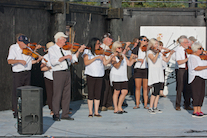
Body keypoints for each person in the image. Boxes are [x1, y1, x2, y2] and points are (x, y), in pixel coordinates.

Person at [48, 32, 85, 121]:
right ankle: (56, 114)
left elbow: (73, 59)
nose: (65, 40)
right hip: (58, 72)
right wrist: (64, 57)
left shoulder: (66, 49)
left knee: (66, 94)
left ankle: (65, 113)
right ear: (59, 39)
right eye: (64, 39)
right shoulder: (52, 49)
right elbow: (53, 62)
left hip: (67, 72)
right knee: (57, 94)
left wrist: (78, 52)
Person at [7, 34, 42, 118]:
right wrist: (19, 61)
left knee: (27, 93)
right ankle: (16, 111)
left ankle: (26, 110)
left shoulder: (28, 49)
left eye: (26, 43)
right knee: (17, 92)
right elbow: (9, 61)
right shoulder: (13, 48)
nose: (26, 45)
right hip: (18, 73)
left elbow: (30, 62)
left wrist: (38, 60)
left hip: (27, 72)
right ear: (19, 42)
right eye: (24, 43)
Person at [83, 37, 114, 117]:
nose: (99, 45)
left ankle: (96, 112)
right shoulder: (87, 51)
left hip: (100, 74)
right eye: (98, 43)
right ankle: (90, 112)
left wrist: (110, 58)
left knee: (97, 94)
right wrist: (96, 58)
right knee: (91, 94)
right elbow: (86, 62)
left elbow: (105, 63)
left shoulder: (101, 51)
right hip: (91, 74)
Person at [110, 41, 136, 114]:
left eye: (121, 47)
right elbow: (117, 66)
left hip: (123, 76)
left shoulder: (123, 56)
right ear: (115, 48)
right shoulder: (113, 56)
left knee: (125, 92)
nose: (121, 49)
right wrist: (121, 59)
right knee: (117, 91)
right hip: (116, 76)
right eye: (119, 47)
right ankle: (115, 108)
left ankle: (119, 106)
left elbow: (129, 64)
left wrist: (133, 58)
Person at [147, 38, 167, 114]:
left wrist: (170, 54)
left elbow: (166, 60)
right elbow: (154, 60)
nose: (157, 45)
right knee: (154, 91)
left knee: (158, 91)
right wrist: (158, 53)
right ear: (152, 45)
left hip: (159, 72)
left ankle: (155, 107)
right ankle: (150, 107)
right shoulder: (149, 52)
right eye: (155, 44)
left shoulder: (159, 53)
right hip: (154, 73)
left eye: (157, 44)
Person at [188, 42, 207, 118]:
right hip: (196, 77)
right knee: (197, 94)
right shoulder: (192, 57)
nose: (202, 50)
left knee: (201, 94)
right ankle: (195, 111)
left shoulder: (200, 57)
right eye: (200, 48)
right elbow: (196, 67)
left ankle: (199, 110)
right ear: (196, 49)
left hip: (202, 76)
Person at [130, 36, 149, 109]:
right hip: (138, 69)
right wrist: (137, 59)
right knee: (138, 87)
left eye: (146, 40)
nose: (145, 42)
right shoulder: (136, 49)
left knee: (145, 87)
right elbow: (131, 58)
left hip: (146, 69)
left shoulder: (148, 49)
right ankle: (137, 104)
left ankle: (145, 104)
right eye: (144, 40)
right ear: (140, 41)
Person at [175, 35, 193, 111]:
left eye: (187, 42)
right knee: (180, 87)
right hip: (181, 70)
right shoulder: (178, 50)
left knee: (188, 87)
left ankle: (187, 104)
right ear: (182, 43)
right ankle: (178, 105)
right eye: (186, 42)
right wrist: (188, 58)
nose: (187, 44)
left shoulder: (189, 50)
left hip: (188, 70)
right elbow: (179, 62)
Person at [99, 33, 114, 111]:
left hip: (110, 69)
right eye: (109, 39)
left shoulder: (110, 48)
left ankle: (109, 103)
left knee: (109, 87)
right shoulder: (101, 48)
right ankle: (102, 104)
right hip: (103, 69)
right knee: (103, 88)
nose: (111, 40)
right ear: (105, 39)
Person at [41, 42, 55, 115]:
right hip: (48, 77)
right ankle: (52, 109)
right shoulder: (45, 57)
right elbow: (42, 68)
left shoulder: (57, 55)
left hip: (57, 76)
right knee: (50, 93)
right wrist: (49, 67)